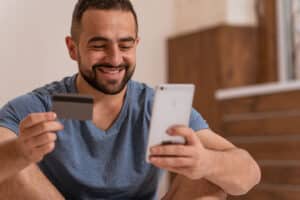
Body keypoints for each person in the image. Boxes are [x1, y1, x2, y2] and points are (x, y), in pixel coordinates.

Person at [0, 0, 261, 199]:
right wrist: (20, 152)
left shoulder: (156, 106)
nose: (114, 59)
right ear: (72, 48)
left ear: (136, 44)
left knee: (215, 174)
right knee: (10, 170)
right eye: (99, 46)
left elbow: (249, 173)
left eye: (125, 46)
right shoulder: (42, 106)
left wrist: (204, 162)